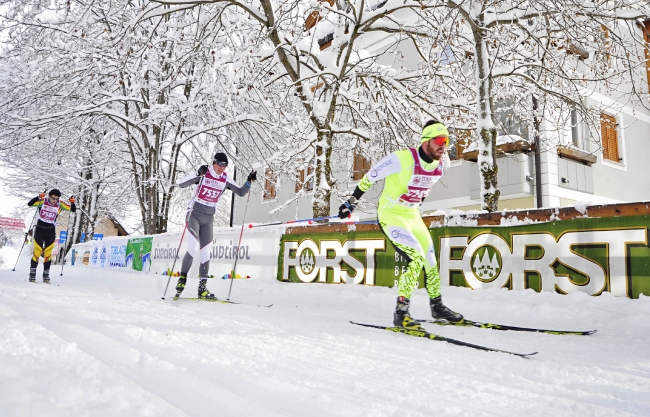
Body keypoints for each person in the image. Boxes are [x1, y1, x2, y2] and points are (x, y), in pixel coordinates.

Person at [338, 120, 463, 329]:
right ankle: (401, 311)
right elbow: (371, 175)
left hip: (412, 216)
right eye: (440, 140)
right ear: (426, 141)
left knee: (431, 259)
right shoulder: (402, 159)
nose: (444, 146)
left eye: (447, 141)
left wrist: (416, 204)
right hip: (391, 215)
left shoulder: (439, 167)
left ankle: (437, 306)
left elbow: (421, 192)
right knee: (416, 258)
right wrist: (352, 201)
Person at [174, 152, 257, 299]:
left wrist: (249, 181)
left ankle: (202, 288)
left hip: (208, 218)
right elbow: (181, 184)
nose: (222, 168)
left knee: (206, 253)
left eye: (225, 165)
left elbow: (241, 192)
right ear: (214, 162)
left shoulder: (225, 179)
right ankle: (182, 279)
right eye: (220, 164)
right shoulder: (204, 173)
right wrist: (197, 173)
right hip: (194, 214)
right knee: (192, 249)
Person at [27, 189, 76, 283]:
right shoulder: (43, 201)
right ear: (49, 196)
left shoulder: (60, 204)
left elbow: (72, 210)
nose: (55, 200)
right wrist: (38, 197)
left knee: (48, 254)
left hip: (50, 231)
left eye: (57, 199)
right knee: (37, 252)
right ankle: (32, 273)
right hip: (40, 230)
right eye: (53, 198)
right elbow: (30, 204)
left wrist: (72, 203)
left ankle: (46, 274)